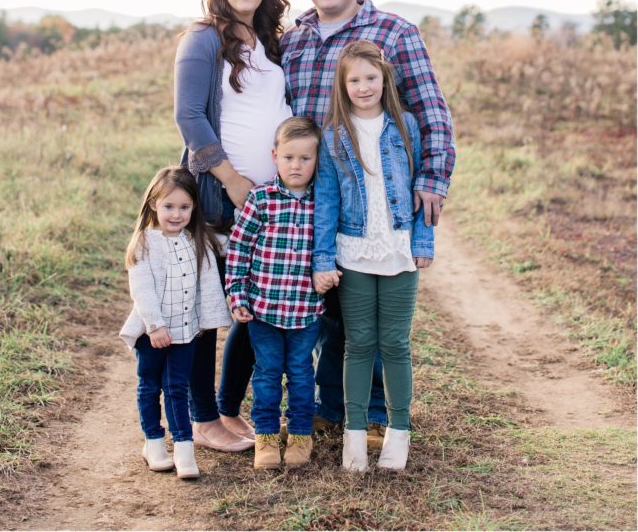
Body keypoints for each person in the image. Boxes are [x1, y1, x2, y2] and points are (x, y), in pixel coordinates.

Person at [280, 0, 455, 443]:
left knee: (372, 307)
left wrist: (432, 178)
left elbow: (430, 109)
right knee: (328, 307)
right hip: (307, 192)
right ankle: (333, 406)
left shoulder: (393, 33)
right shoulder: (295, 40)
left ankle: (376, 413)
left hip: (369, 194)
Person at [174, 0, 292, 451]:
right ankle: (202, 420)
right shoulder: (203, 38)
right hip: (222, 196)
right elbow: (189, 116)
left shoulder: (268, 42)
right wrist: (231, 179)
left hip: (268, 200)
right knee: (207, 310)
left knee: (254, 304)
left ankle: (225, 407)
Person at [312, 41, 433, 472]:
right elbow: (325, 199)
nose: (363, 87)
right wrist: (322, 258)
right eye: (354, 80)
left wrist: (423, 242)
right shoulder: (333, 135)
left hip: (398, 250)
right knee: (358, 344)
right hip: (354, 253)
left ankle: (399, 432)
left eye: (371, 78)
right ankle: (356, 435)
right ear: (343, 86)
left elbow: (423, 186)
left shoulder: (407, 127)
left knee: (395, 344)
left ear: (384, 80)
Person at [119, 166, 231, 479]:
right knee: (150, 385)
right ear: (154, 204)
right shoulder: (145, 242)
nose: (176, 214)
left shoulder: (199, 241)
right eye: (169, 206)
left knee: (177, 388)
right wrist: (154, 326)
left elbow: (217, 269)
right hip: (151, 333)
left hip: (186, 332)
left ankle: (184, 448)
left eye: (184, 207)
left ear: (194, 208)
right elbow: (141, 288)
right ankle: (153, 441)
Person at [225, 116, 324, 470]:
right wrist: (237, 295)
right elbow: (239, 249)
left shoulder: (321, 203)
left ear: (317, 160)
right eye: (289, 158)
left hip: (305, 310)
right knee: (267, 373)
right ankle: (266, 435)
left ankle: (299, 433)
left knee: (300, 372)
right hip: (263, 309)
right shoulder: (261, 199)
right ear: (275, 156)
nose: (296, 166)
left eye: (305, 159)